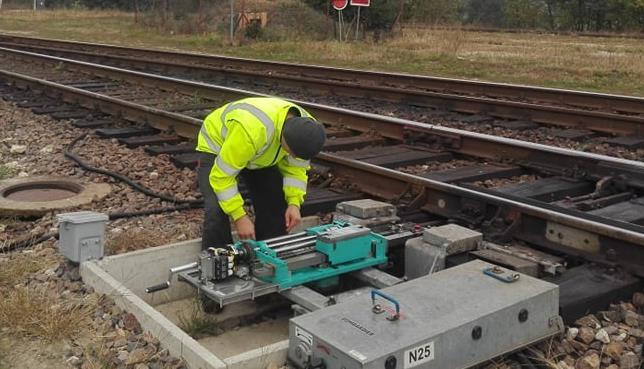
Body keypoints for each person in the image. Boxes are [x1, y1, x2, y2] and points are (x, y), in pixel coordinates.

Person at [196, 97, 326, 250]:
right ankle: (217, 261)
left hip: (260, 151)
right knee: (216, 209)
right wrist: (239, 217)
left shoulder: (306, 130)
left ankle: (270, 251)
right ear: (283, 137)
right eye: (292, 153)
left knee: (275, 200)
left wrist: (294, 203)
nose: (294, 158)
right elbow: (221, 177)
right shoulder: (251, 131)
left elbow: (296, 170)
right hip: (219, 146)